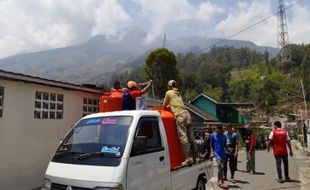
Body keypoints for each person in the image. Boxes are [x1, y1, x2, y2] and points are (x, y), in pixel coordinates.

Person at [162, 80, 195, 165]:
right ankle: (195, 156)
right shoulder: (178, 93)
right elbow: (176, 103)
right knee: (191, 137)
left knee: (183, 138)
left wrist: (165, 107)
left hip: (180, 115)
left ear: (169, 86)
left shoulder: (168, 92)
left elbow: (164, 105)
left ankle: (188, 158)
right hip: (187, 115)